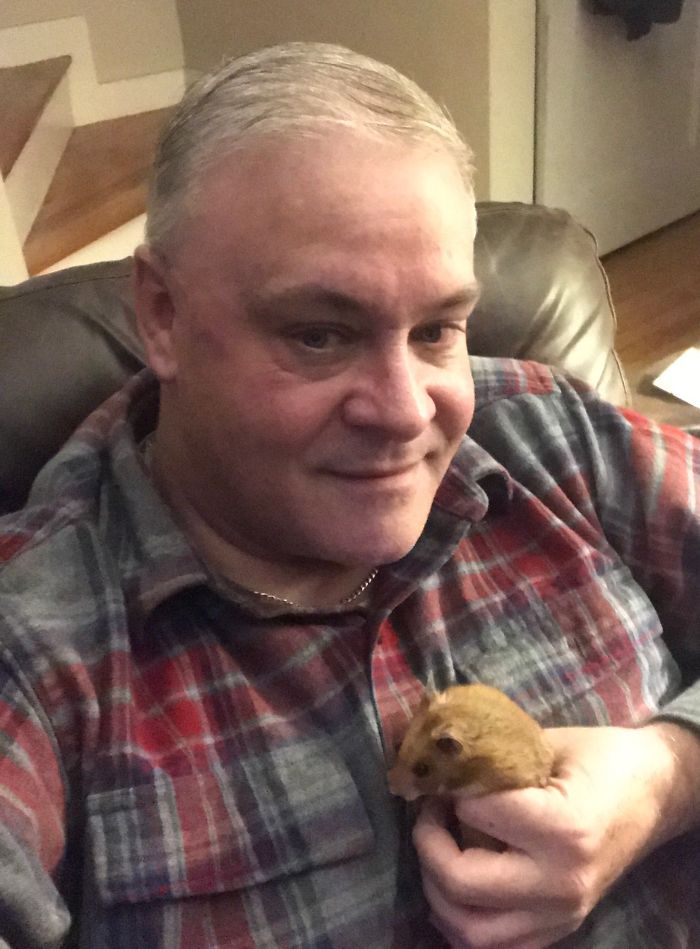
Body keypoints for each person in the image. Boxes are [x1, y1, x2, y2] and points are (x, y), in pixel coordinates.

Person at [0, 41, 699, 949]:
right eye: (320, 335)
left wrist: (668, 774)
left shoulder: (550, 434)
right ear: (162, 314)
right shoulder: (37, 646)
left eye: (438, 328)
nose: (408, 412)